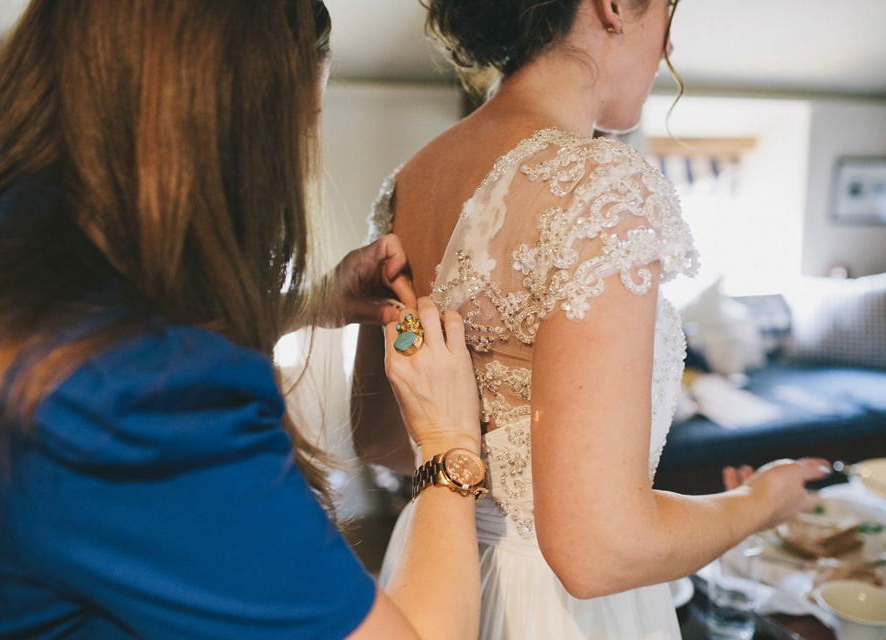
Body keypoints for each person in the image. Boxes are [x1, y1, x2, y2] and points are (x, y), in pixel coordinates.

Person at [0, 1, 485, 638]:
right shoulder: (149, 398)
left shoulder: (1, 245)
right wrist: (448, 447)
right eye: (300, 129)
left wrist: (304, 305)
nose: (302, 165)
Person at [352, 1, 829, 638]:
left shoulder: (412, 180)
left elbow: (382, 439)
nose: (667, 51)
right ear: (612, 6)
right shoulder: (599, 187)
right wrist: (759, 502)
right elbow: (602, 550)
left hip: (435, 567)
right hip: (549, 610)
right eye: (668, 15)